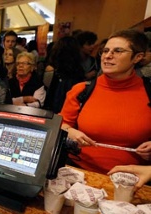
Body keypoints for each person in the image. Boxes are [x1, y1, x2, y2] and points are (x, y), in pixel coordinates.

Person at [60, 29, 151, 174]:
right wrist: (70, 131)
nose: (108, 56)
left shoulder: (148, 92)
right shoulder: (82, 90)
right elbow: (61, 124)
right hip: (79, 172)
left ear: (137, 57)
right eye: (105, 50)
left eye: (118, 51)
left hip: (130, 178)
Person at [43, 36, 85, 113]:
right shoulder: (79, 70)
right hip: (71, 107)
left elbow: (47, 90)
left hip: (53, 109)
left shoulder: (53, 69)